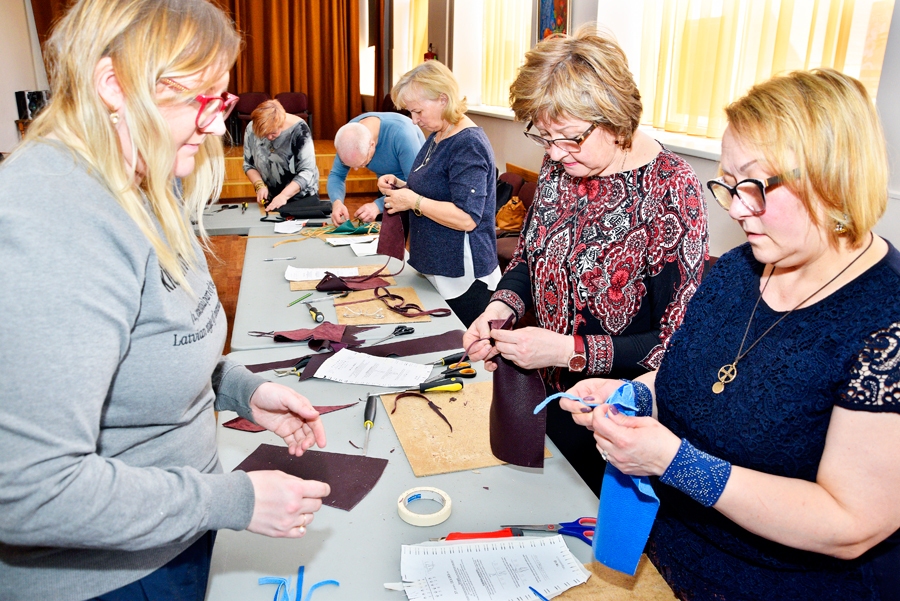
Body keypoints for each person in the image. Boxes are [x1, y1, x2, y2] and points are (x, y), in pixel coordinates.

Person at [0, 1, 330, 599]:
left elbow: (147, 343)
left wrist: (241, 389)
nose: (214, 126)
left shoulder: (144, 178)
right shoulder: (54, 221)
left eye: (222, 102)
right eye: (202, 101)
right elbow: (27, 490)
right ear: (113, 86)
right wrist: (233, 499)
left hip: (175, 534)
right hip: (112, 578)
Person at [560, 68, 900, 600]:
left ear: (832, 177)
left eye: (755, 186)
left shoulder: (886, 325)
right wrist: (635, 391)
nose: (738, 209)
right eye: (728, 184)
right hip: (662, 557)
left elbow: (851, 524)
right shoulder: (737, 271)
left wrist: (675, 463)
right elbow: (690, 376)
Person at [462, 25, 708, 492]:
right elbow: (530, 262)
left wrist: (568, 351)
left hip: (619, 420)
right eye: (545, 139)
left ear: (615, 118)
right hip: (548, 396)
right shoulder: (562, 164)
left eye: (570, 138)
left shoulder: (671, 188)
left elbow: (676, 344)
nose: (554, 154)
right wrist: (499, 310)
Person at [380, 60, 500, 327]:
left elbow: (467, 218)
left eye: (418, 111)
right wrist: (401, 187)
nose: (414, 119)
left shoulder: (467, 144)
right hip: (437, 265)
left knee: (467, 355)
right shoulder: (438, 135)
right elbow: (438, 188)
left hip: (462, 274)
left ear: (443, 99)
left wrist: (414, 201)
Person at [328, 112, 425, 224]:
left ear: (372, 145)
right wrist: (337, 202)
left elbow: (416, 186)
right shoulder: (350, 134)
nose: (356, 169)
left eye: (362, 163)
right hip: (387, 188)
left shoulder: (402, 134)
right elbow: (337, 175)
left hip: (412, 192)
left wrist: (377, 206)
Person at [243, 99, 321, 212]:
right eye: (265, 134)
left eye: (273, 133)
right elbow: (248, 165)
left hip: (301, 199)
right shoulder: (252, 128)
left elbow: (307, 171)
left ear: (282, 121)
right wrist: (259, 185)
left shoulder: (300, 130)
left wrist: (284, 196)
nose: (269, 138)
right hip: (273, 199)